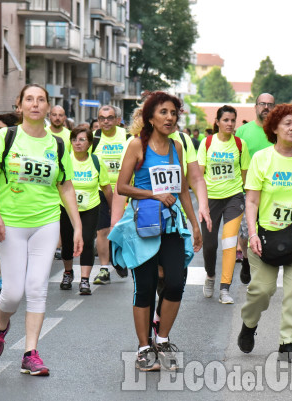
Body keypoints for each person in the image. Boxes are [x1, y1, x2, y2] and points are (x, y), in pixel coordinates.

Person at [0, 84, 82, 376]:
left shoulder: (59, 143)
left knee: (37, 287)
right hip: (10, 223)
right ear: (20, 105)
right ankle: (1, 326)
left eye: (41, 100)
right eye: (29, 99)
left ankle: (30, 353)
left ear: (48, 107)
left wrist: (76, 227)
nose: (35, 104)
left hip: (46, 221)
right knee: (12, 293)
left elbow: (65, 185)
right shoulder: (6, 137)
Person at [110, 91, 202, 372]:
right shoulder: (137, 146)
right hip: (143, 226)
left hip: (172, 226)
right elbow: (121, 187)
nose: (170, 118)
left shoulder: (178, 147)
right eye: (163, 112)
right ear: (150, 117)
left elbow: (183, 188)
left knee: (175, 282)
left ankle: (162, 340)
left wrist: (194, 223)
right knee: (146, 288)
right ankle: (143, 347)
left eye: (174, 113)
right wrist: (153, 195)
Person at [237, 104, 292, 363]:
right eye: (287, 123)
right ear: (274, 128)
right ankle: (249, 324)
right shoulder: (262, 158)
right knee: (262, 290)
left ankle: (288, 344)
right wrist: (252, 234)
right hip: (265, 235)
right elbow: (251, 201)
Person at [197, 105, 250, 304]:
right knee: (209, 245)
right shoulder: (207, 143)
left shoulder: (240, 144)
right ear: (217, 122)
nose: (229, 124)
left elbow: (245, 177)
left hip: (234, 198)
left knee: (229, 241)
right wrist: (202, 202)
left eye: (232, 120)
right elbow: (199, 176)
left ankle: (225, 289)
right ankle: (210, 275)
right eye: (225, 120)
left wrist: (249, 202)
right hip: (210, 198)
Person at [59, 125, 112, 295]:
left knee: (87, 241)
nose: (77, 143)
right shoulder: (65, 160)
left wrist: (113, 209)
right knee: (67, 242)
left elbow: (106, 188)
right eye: (74, 139)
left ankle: (84, 280)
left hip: (90, 207)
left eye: (82, 140)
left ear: (89, 143)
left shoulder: (96, 161)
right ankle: (68, 273)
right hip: (66, 207)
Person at [235, 93, 275, 284]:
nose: (266, 107)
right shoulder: (243, 131)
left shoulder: (277, 130)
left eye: (270, 104)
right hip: (247, 189)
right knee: (244, 231)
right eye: (262, 104)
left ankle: (263, 262)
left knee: (267, 227)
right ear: (256, 106)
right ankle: (245, 259)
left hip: (272, 188)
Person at [91, 105, 129, 284]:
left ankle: (118, 258)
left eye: (110, 117)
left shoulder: (126, 137)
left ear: (117, 120)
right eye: (101, 118)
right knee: (103, 229)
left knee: (123, 229)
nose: (105, 121)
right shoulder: (94, 139)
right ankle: (104, 269)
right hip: (101, 190)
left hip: (125, 191)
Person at [0, 113, 21, 291]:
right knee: (0, 243)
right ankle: (4, 278)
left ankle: (17, 276)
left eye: (1, 129)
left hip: (24, 206)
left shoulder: (19, 141)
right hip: (0, 201)